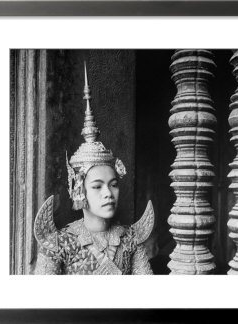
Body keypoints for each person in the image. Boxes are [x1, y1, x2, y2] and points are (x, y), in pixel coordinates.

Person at [34, 63, 154, 275]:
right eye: (97, 186)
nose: (108, 194)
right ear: (79, 190)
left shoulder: (130, 240)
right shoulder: (59, 243)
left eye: (113, 184)